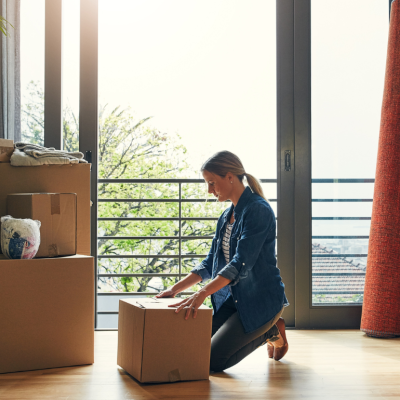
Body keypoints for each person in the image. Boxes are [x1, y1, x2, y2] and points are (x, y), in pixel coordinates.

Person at [156, 150, 289, 372]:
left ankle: (270, 330)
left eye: (211, 183)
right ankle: (267, 329)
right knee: (194, 349)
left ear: (229, 176)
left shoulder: (257, 210)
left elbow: (239, 264)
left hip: (261, 302)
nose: (209, 191)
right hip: (235, 299)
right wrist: (174, 289)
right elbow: (210, 263)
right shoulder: (226, 216)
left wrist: (202, 293)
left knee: (210, 362)